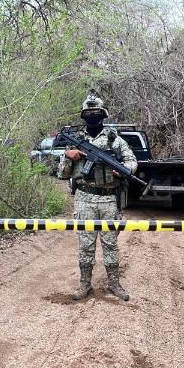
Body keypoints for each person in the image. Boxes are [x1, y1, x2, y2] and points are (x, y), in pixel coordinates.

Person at [57, 93, 137, 301]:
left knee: (110, 243)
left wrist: (124, 170)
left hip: (109, 198)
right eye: (89, 113)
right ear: (83, 116)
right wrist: (68, 156)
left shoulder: (114, 139)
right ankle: (85, 284)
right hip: (84, 198)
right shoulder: (76, 141)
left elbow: (132, 161)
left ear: (103, 114)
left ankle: (114, 284)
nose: (92, 116)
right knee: (86, 244)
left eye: (96, 112)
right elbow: (62, 174)